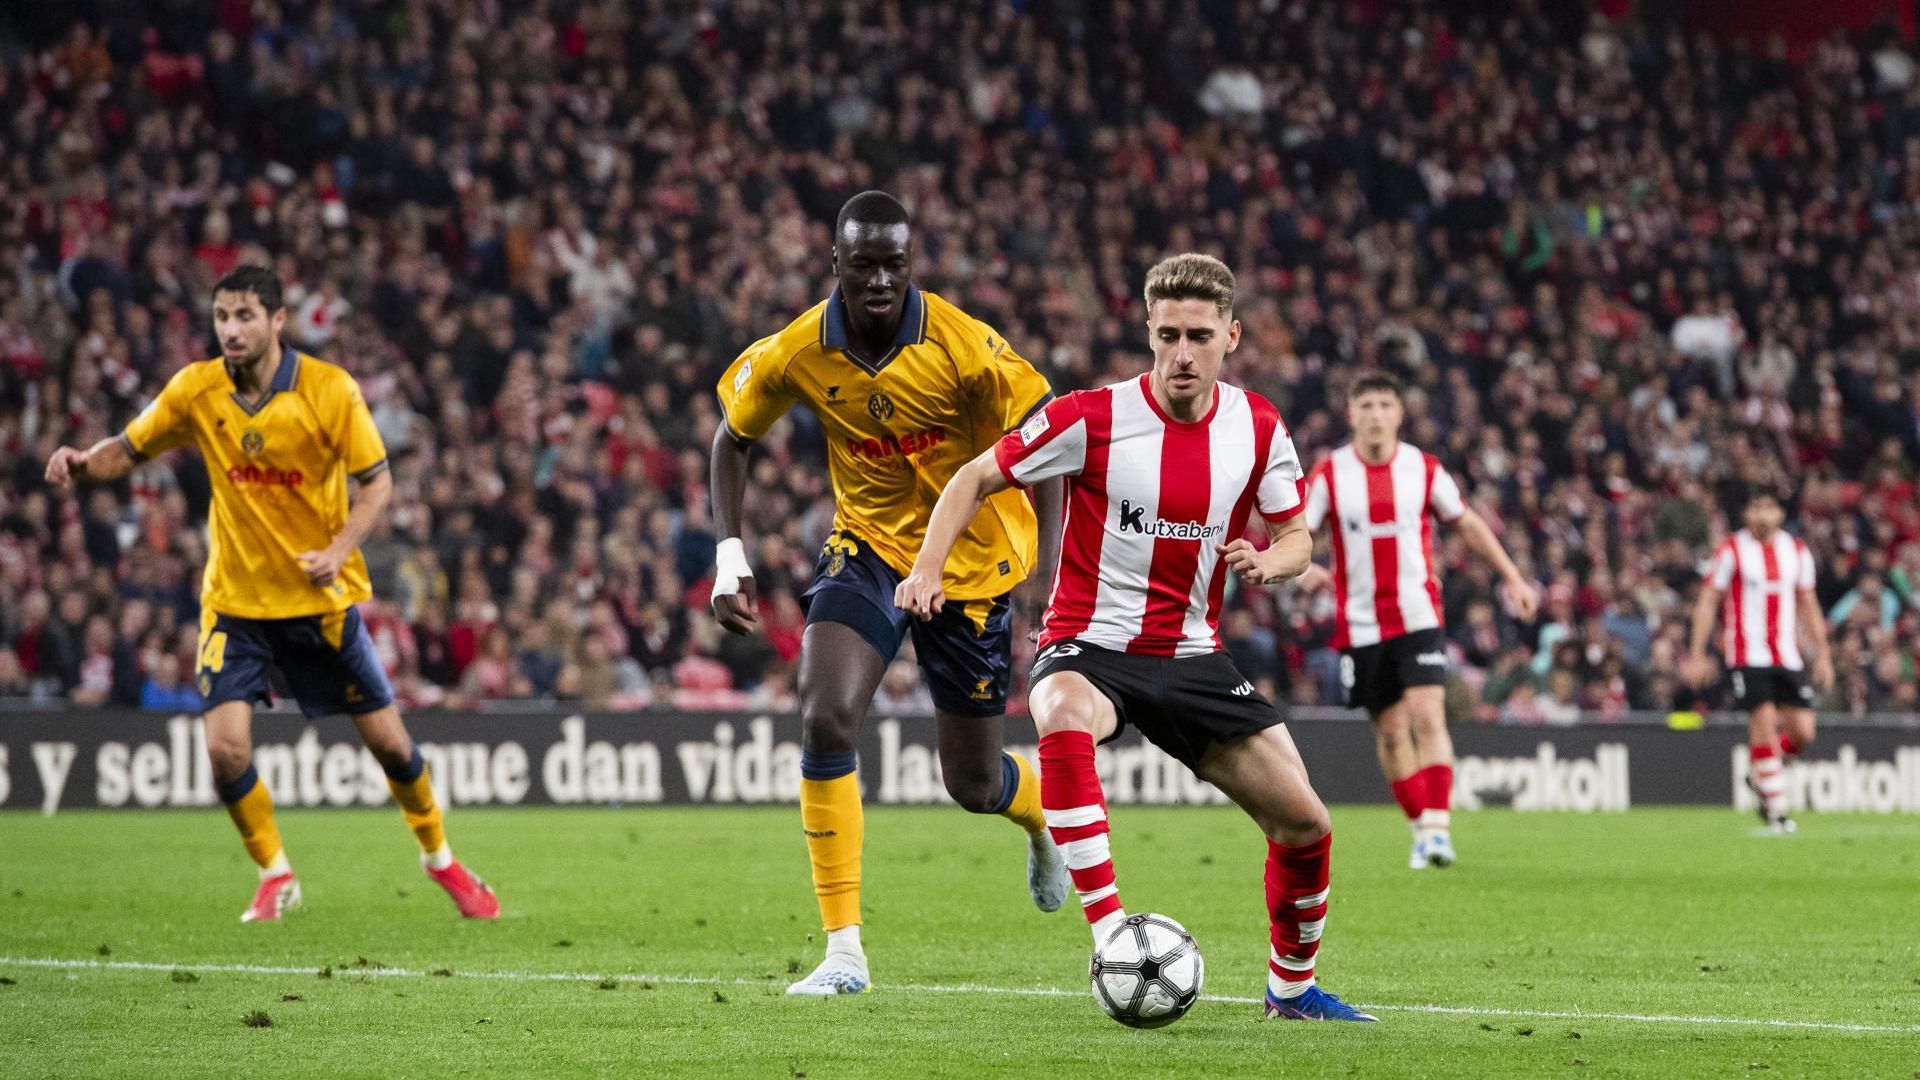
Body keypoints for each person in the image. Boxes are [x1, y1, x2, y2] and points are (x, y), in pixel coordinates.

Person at [899, 253, 1376, 1022]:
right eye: (1166, 335)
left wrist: (1270, 561)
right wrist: (928, 569)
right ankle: (1113, 935)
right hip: (1092, 646)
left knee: (1306, 823)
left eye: (1197, 335)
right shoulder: (1091, 417)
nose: (1181, 354)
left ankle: (1292, 993)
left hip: (1191, 656)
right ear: (1148, 333)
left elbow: (1296, 537)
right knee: (1058, 709)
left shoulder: (1257, 426)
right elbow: (972, 478)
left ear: (1231, 334)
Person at [45, 266, 498, 923]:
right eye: (222, 316)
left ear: (277, 320)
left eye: (245, 316)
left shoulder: (329, 390)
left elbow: (376, 483)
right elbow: (131, 446)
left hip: (320, 604)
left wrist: (340, 550)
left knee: (392, 747)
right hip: (236, 604)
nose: (231, 329)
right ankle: (274, 873)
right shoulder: (196, 390)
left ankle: (442, 861)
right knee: (224, 748)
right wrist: (84, 462)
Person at [708, 191, 1067, 995]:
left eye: (893, 265)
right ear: (835, 263)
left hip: (973, 565)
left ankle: (1040, 817)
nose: (878, 280)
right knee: (823, 711)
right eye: (862, 264)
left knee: (973, 786)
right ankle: (843, 953)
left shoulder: (965, 346)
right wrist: (730, 555)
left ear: (912, 265)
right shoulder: (801, 347)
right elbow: (731, 439)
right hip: (867, 546)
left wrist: (1046, 569)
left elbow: (1050, 437)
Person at [1299, 371, 1539, 870]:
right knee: (1389, 733)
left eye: (1385, 404)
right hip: (1360, 624)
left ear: (1399, 413)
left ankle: (1437, 828)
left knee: (1428, 714)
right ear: (1352, 414)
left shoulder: (1424, 469)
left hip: (1419, 615)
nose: (1376, 415)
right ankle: (1419, 829)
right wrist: (1302, 567)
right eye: (1366, 406)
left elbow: (1467, 523)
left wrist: (1513, 577)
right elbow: (1298, 531)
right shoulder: (1329, 474)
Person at [1685, 487, 1834, 832]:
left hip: (1788, 655)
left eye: (1770, 507)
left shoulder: (1796, 551)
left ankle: (1762, 772)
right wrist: (1696, 653)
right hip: (1746, 654)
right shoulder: (1731, 550)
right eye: (1756, 507)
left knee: (1803, 732)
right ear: (1746, 514)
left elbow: (1808, 605)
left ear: (1781, 514)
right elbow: (1708, 601)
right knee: (1763, 723)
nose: (1763, 515)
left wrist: (1822, 653)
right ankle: (1778, 812)